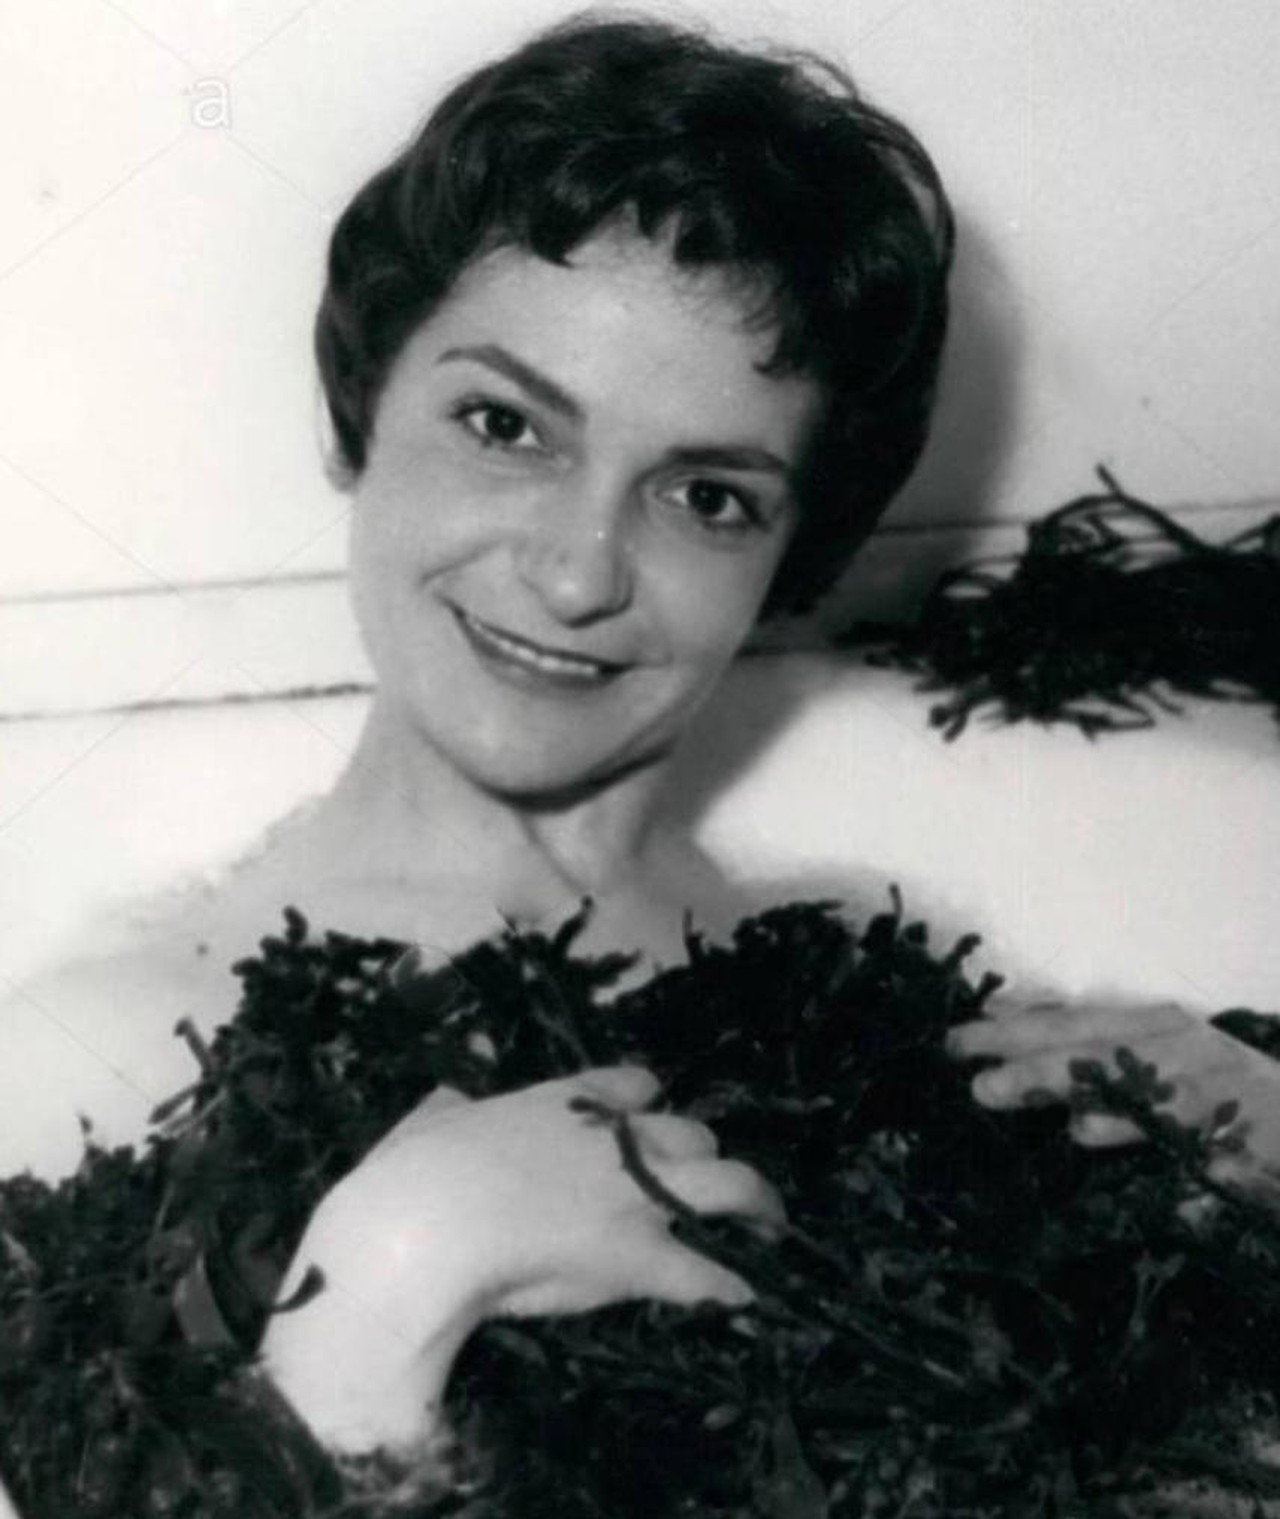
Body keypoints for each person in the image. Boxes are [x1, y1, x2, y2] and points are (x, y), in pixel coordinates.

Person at [2, 9, 1274, 1505]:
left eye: (706, 497)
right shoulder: (90, 1062)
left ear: (788, 560)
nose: (576, 572)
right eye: (505, 425)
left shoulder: (862, 973)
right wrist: (387, 1290)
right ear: (362, 408)